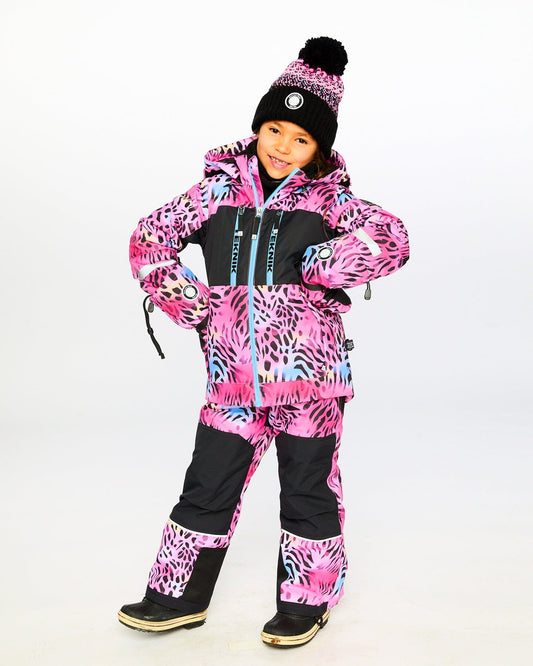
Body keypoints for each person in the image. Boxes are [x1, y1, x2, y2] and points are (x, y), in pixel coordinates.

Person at [118, 36, 409, 648]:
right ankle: (176, 595)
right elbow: (149, 238)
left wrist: (322, 265)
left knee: (307, 489)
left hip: (311, 384)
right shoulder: (215, 193)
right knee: (207, 484)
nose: (281, 146)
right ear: (258, 128)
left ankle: (308, 599)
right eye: (274, 129)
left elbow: (391, 238)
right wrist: (191, 304)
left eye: (300, 139)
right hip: (233, 380)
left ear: (317, 149)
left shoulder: (329, 200)